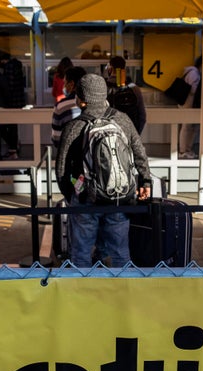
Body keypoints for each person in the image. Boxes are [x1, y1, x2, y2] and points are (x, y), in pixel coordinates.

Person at [55, 73, 152, 268]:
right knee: (120, 252)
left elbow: (61, 170)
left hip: (85, 199)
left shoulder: (74, 127)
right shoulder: (122, 120)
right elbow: (139, 153)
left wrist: (73, 195)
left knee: (81, 253)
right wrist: (145, 181)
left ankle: (82, 294)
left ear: (80, 100)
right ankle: (121, 293)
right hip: (119, 196)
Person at [0, 51, 26, 160]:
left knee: (2, 127)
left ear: (2, 60)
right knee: (13, 126)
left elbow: (9, 87)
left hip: (10, 103)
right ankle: (13, 149)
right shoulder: (16, 66)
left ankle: (13, 148)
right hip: (18, 102)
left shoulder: (8, 68)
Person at [105, 55, 147, 134]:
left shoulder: (102, 88)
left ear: (110, 69)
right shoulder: (134, 88)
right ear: (124, 69)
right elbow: (142, 117)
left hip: (107, 135)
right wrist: (135, 136)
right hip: (127, 135)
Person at [51, 66, 87, 147]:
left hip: (70, 156)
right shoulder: (95, 103)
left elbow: (56, 138)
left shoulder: (61, 106)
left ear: (71, 84)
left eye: (65, 83)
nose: (64, 86)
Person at [178, 57, 201, 159]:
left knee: (189, 127)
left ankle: (186, 149)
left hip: (185, 102)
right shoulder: (194, 73)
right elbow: (192, 90)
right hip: (188, 102)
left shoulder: (190, 72)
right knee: (187, 127)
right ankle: (183, 150)